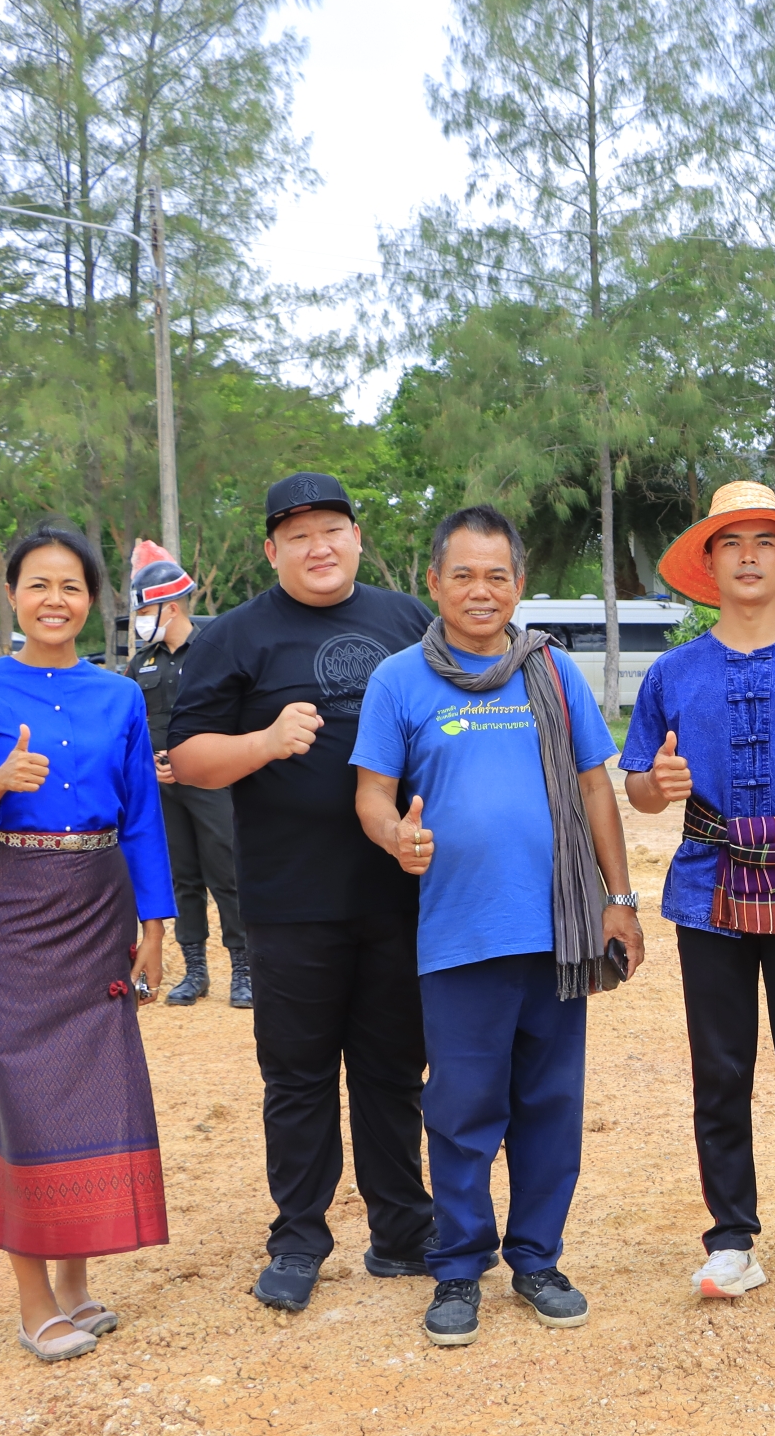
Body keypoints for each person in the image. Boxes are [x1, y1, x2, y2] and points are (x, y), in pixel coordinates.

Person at [351, 505, 639, 1347]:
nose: (481, 591)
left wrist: (620, 899)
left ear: (519, 584)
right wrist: (396, 837)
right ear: (434, 582)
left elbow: (594, 785)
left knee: (550, 1106)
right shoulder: (399, 680)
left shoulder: (551, 671)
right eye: (464, 575)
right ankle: (458, 1267)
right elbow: (371, 796)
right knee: (462, 1109)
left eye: (497, 576)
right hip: (460, 935)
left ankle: (538, 1260)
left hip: (559, 932)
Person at [165, 471, 439, 1311]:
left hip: (399, 893)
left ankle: (403, 1231)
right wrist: (264, 741)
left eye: (331, 530)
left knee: (394, 1071)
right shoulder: (236, 636)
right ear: (271, 549)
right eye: (298, 535)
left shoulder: (408, 621)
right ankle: (299, 1239)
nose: (318, 547)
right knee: (298, 1076)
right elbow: (188, 759)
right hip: (289, 900)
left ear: (357, 537)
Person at [620, 482, 775, 1323]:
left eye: (765, 541)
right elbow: (640, 789)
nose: (749, 556)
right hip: (707, 890)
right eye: (731, 542)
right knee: (720, 1071)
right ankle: (731, 1241)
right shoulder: (672, 672)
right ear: (710, 562)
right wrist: (657, 785)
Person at [0, 522, 174, 1362]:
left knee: (97, 1088)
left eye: (71, 586)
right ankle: (34, 1304)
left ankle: (74, 1284)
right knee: (28, 1099)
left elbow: (142, 818)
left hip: (100, 903)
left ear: (92, 601)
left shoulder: (120, 697)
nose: (54, 600)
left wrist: (155, 926)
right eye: (38, 585)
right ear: (12, 596)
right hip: (15, 914)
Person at [124, 541, 250, 1009]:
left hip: (211, 783)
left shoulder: (216, 652)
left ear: (171, 608)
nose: (141, 621)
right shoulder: (142, 664)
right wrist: (149, 766)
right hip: (163, 789)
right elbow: (132, 727)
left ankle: (244, 970)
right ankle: (195, 971)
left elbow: (237, 716)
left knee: (227, 873)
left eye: (146, 612)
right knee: (183, 878)